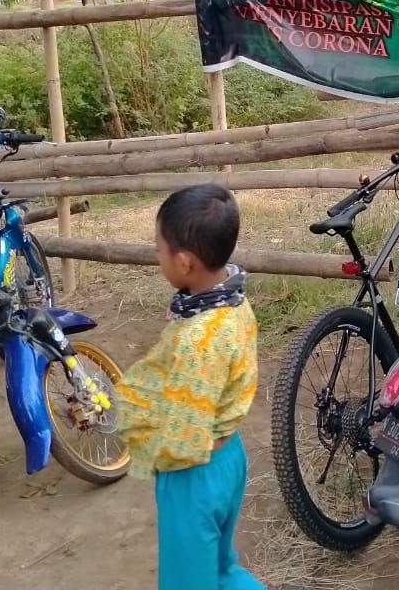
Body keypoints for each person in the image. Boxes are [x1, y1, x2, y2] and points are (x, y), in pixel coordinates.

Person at [116, 185, 262, 590]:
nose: (156, 255)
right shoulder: (232, 302)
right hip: (228, 456)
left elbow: (182, 435)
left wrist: (136, 429)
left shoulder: (198, 338)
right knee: (219, 569)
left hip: (194, 472)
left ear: (184, 261)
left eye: (158, 248)